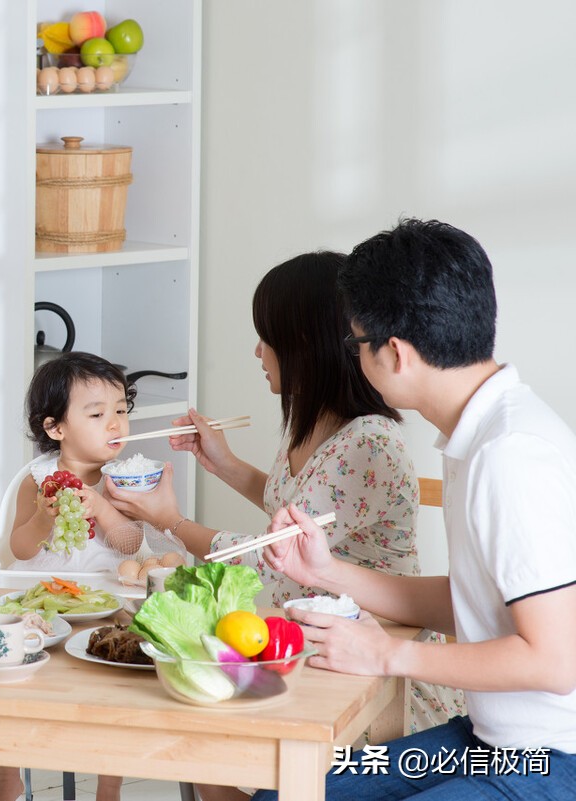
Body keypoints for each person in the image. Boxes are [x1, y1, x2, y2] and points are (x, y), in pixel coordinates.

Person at [252, 219, 576, 800]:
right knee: (290, 791)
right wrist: (321, 570)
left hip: (546, 761)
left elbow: (556, 660)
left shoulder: (509, 456)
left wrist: (387, 653)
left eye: (355, 343)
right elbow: (471, 601)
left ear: (395, 352)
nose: (352, 357)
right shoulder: (478, 433)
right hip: (486, 742)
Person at [104, 252, 464, 747]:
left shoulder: (367, 443)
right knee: (195, 715)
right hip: (310, 637)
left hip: (373, 657)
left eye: (266, 338)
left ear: (302, 346)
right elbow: (291, 510)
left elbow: (269, 557)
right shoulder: (314, 423)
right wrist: (224, 464)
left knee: (204, 726)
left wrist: (172, 522)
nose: (257, 352)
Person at [0, 351, 150, 801]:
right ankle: (9, 779)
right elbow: (18, 548)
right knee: (2, 666)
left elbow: (131, 546)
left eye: (122, 410)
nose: (115, 423)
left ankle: (108, 786)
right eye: (98, 414)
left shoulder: (125, 479)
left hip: (106, 604)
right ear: (55, 428)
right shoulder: (38, 478)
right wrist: (44, 519)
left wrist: (102, 505)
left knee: (119, 675)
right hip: (41, 599)